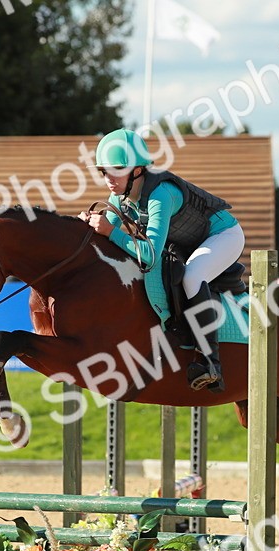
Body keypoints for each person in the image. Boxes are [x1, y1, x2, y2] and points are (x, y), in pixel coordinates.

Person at [79, 129, 244, 392]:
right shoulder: (118, 198)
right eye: (104, 171)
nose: (109, 178)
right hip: (188, 241)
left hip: (223, 234)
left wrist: (110, 231)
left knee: (191, 277)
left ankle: (210, 363)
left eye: (117, 169)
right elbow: (100, 241)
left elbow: (150, 256)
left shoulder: (160, 195)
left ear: (138, 171)